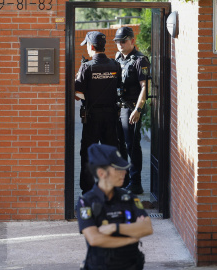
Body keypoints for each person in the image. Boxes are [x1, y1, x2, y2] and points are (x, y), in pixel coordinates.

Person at [76, 143, 153, 270]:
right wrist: (131, 239)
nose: (124, 172)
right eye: (118, 169)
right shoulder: (86, 202)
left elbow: (147, 227)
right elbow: (94, 239)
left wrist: (114, 227)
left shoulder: (128, 197)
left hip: (130, 265)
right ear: (101, 173)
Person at [75, 31, 122, 194]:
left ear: (91, 46)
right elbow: (119, 88)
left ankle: (88, 190)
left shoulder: (86, 67)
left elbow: (77, 94)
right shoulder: (115, 65)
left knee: (88, 153)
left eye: (87, 45)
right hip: (111, 116)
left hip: (92, 117)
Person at [114, 26, 151, 195]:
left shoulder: (140, 60)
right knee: (120, 146)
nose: (120, 44)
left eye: (123, 41)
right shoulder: (118, 57)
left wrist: (138, 109)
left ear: (132, 41)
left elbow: (145, 87)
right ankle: (125, 180)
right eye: (117, 42)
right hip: (119, 108)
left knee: (132, 146)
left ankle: (136, 183)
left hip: (131, 109)